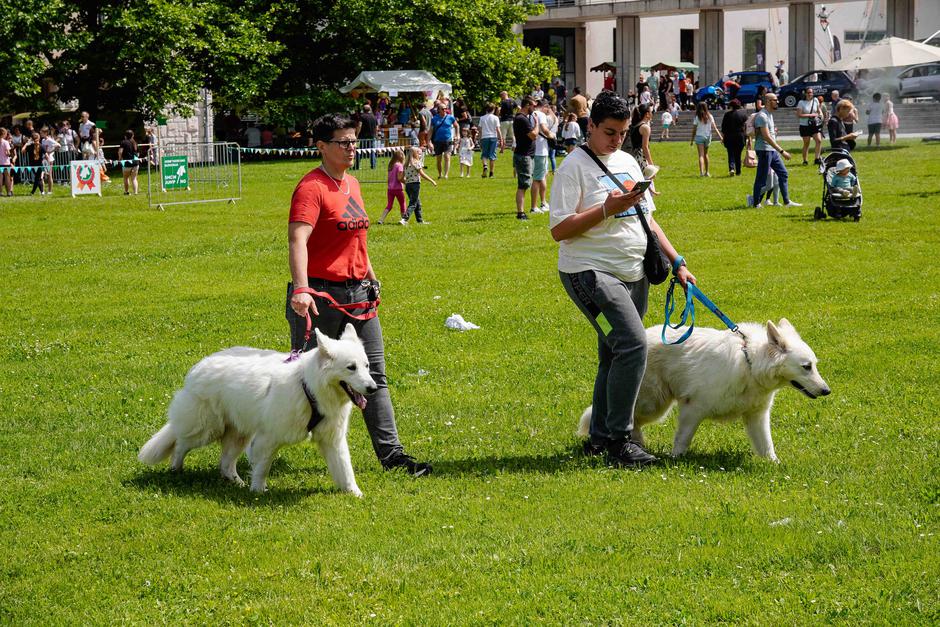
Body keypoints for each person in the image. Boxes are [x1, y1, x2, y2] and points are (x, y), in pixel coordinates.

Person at [548, 90, 696, 468]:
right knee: (632, 345)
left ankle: (599, 440)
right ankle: (620, 441)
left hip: (635, 272)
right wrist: (606, 208)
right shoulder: (572, 167)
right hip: (590, 273)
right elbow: (560, 230)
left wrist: (677, 261)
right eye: (609, 132)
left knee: (613, 354)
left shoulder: (628, 161)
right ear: (591, 126)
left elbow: (649, 220)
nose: (616, 140)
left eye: (623, 133)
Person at [286, 114, 432, 476]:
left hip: (359, 295)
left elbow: (357, 242)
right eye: (343, 142)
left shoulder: (352, 183)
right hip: (320, 298)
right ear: (322, 146)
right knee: (305, 381)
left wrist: (371, 278)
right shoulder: (311, 187)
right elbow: (297, 239)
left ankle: (392, 456)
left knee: (372, 373)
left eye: (354, 141)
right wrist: (302, 288)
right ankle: (265, 435)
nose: (352, 148)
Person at [748, 93, 800, 208]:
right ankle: (755, 203)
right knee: (761, 178)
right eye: (775, 100)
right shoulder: (762, 116)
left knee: (783, 173)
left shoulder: (769, 114)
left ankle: (787, 202)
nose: (777, 102)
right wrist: (782, 151)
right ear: (768, 101)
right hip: (764, 150)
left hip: (771, 150)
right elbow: (766, 137)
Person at [512, 96, 539, 220]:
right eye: (533, 105)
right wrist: (537, 124)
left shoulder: (522, 118)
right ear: (527, 105)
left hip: (526, 154)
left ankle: (521, 211)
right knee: (523, 185)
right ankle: (520, 213)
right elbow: (533, 135)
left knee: (525, 184)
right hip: (524, 155)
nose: (534, 108)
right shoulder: (521, 119)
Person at [400, 145, 437, 225]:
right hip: (415, 185)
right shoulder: (417, 163)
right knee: (413, 203)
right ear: (415, 154)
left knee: (417, 203)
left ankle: (420, 221)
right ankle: (404, 219)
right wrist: (432, 181)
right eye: (419, 153)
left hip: (408, 186)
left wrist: (407, 182)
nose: (420, 155)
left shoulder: (405, 165)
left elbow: (401, 178)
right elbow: (422, 174)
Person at [531, 99, 555, 214]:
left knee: (542, 176)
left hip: (533, 149)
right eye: (547, 108)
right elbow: (545, 130)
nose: (548, 110)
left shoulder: (530, 114)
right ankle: (535, 206)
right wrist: (552, 136)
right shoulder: (540, 114)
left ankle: (543, 202)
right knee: (538, 178)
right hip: (540, 150)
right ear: (544, 106)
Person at [690, 102, 723, 177]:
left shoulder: (697, 117)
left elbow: (694, 130)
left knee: (701, 155)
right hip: (708, 137)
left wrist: (692, 140)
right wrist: (721, 137)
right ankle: (707, 172)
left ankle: (701, 172)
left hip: (699, 136)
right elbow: (715, 128)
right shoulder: (710, 116)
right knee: (706, 154)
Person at [430, 103, 458, 179]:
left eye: (446, 108)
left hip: (448, 140)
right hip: (437, 141)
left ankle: (446, 175)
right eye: (442, 109)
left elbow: (456, 126)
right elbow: (431, 130)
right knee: (439, 159)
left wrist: (457, 135)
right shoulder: (434, 118)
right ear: (438, 110)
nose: (445, 110)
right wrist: (429, 141)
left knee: (447, 156)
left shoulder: (450, 117)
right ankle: (440, 174)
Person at [377, 149, 405, 225]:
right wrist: (406, 182)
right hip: (398, 189)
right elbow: (399, 178)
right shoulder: (399, 165)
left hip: (390, 189)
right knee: (402, 204)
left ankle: (381, 219)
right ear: (401, 156)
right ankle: (403, 219)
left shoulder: (391, 165)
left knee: (389, 205)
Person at [796, 87, 823, 165]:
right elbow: (799, 115)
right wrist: (810, 115)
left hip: (814, 124)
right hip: (804, 125)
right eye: (808, 92)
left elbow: (819, 110)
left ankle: (817, 159)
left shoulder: (815, 100)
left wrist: (821, 115)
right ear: (805, 93)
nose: (810, 94)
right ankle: (805, 160)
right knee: (806, 143)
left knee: (819, 140)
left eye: (811, 92)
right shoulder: (801, 102)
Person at [721, 99, 748, 176]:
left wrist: (723, 137)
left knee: (730, 153)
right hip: (740, 136)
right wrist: (748, 137)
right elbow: (746, 127)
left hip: (729, 136)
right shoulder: (743, 114)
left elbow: (723, 127)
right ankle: (738, 171)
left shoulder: (727, 115)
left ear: (731, 106)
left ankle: (732, 168)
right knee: (738, 154)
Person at [478, 103, 502, 178]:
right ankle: (491, 173)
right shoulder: (496, 118)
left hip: (484, 137)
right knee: (492, 155)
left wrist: (479, 139)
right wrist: (501, 139)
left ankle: (485, 166)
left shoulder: (482, 118)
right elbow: (498, 129)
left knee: (484, 154)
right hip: (493, 137)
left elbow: (480, 129)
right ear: (493, 110)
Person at [354, 104, 378, 170]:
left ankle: (357, 166)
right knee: (372, 151)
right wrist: (376, 135)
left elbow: (359, 126)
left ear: (363, 110)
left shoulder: (362, 116)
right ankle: (373, 166)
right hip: (372, 137)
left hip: (363, 137)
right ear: (370, 109)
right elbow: (376, 127)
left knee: (360, 151)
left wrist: (357, 135)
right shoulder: (373, 117)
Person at [118, 129, 140, 195]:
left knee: (126, 178)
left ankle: (126, 192)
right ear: (133, 135)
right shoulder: (135, 142)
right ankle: (135, 192)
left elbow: (120, 152)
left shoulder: (123, 142)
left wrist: (120, 159)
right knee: (134, 178)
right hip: (135, 163)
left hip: (126, 163)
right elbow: (138, 153)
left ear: (125, 136)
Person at [0, 128, 13, 197]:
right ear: (4, 134)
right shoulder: (6, 142)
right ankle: (8, 192)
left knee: (0, 178)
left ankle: (0, 192)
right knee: (7, 178)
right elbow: (8, 153)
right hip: (5, 163)